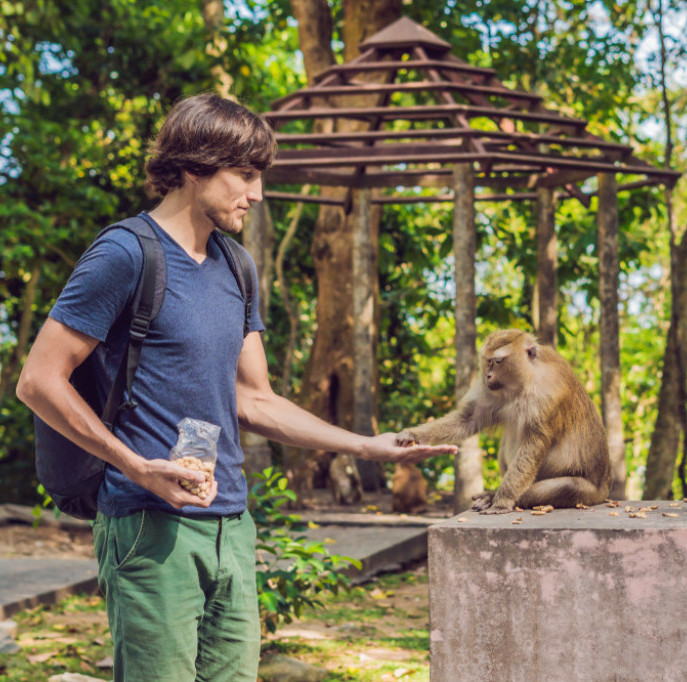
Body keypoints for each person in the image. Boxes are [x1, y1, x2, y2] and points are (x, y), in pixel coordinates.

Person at [16, 93, 456, 682]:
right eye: (244, 175)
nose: (255, 192)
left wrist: (365, 445)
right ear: (195, 167)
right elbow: (39, 379)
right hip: (148, 523)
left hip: (232, 525)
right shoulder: (125, 254)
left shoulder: (236, 266)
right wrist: (136, 466)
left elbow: (255, 399)